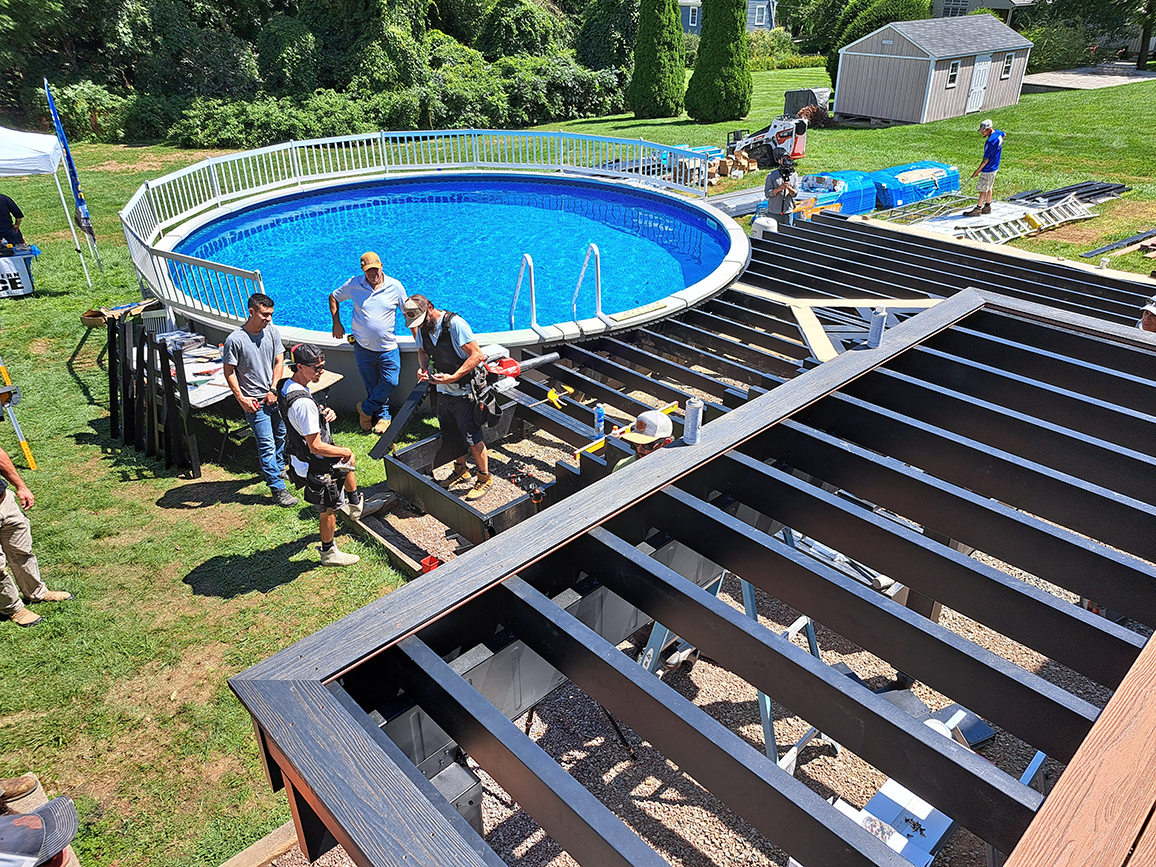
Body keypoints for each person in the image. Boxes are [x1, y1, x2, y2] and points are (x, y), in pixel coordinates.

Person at [278, 344, 384, 567]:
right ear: (299, 367)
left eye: (322, 366)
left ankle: (355, 506)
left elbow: (301, 419)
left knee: (347, 463)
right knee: (328, 508)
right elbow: (316, 446)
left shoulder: (286, 386)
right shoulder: (304, 404)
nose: (321, 372)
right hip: (314, 463)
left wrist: (323, 414)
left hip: (300, 457)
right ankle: (328, 553)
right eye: (316, 368)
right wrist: (344, 450)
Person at [406, 295, 492, 501]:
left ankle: (484, 478)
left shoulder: (455, 325)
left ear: (431, 308)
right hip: (444, 392)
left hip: (465, 392)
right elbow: (423, 351)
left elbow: (477, 355)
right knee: (451, 434)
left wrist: (454, 377)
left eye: (420, 320)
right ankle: (461, 470)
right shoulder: (423, 326)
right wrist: (423, 367)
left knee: (472, 437)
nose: (418, 326)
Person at [223, 293, 298, 508]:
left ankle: (278, 466)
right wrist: (241, 398)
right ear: (252, 311)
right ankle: (277, 489)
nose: (268, 319)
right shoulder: (235, 340)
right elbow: (229, 371)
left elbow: (279, 360)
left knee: (281, 435)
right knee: (266, 443)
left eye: (270, 315)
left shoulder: (272, 333)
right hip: (254, 403)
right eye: (264, 314)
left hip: (274, 397)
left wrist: (274, 389)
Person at [329, 252, 409, 435]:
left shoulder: (395, 286)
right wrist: (336, 322)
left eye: (375, 269)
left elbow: (407, 313)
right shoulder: (354, 284)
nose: (372, 273)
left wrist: (418, 338)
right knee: (371, 385)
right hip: (362, 346)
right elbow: (333, 297)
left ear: (382, 266)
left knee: (390, 381)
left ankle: (365, 409)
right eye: (368, 270)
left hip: (388, 347)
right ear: (362, 270)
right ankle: (383, 416)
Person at [0, 446, 71, 628]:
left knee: (21, 551)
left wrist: (20, 486)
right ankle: (13, 608)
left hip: (4, 501)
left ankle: (36, 592)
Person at [965, 119, 1005, 217]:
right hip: (995, 166)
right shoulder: (998, 133)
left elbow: (985, 160)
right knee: (989, 187)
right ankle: (987, 206)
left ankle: (978, 209)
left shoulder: (990, 142)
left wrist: (977, 172)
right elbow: (1004, 134)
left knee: (983, 189)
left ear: (989, 129)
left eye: (983, 131)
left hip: (988, 168)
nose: (982, 133)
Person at [764, 155, 800, 225]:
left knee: (787, 232)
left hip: (787, 211)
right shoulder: (771, 175)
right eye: (784, 159)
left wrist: (789, 188)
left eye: (788, 159)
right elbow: (767, 194)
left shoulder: (794, 175)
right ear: (779, 161)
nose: (786, 162)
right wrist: (779, 189)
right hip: (774, 211)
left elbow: (795, 193)